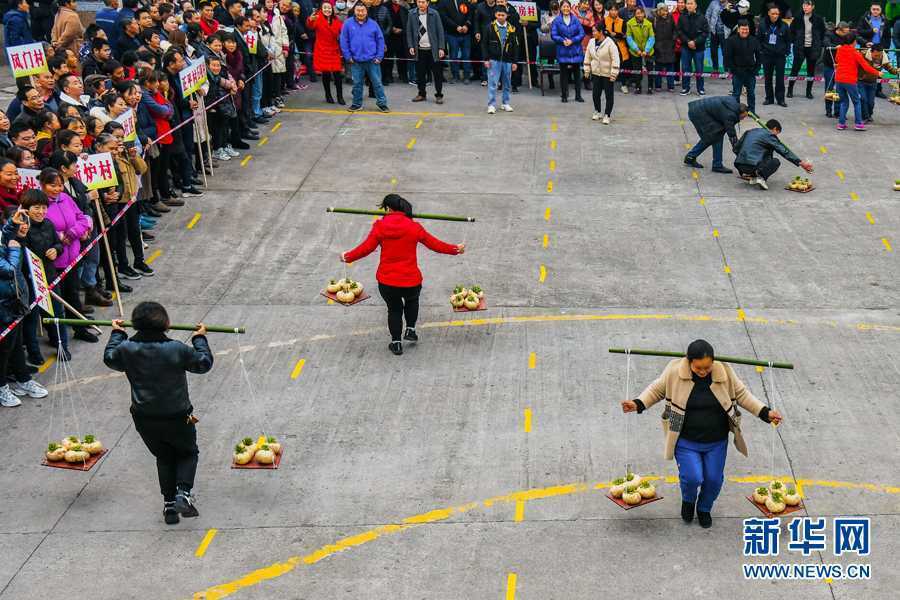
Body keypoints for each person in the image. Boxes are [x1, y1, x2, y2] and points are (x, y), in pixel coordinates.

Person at [621, 340, 783, 528]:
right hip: (685, 440)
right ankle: (688, 501)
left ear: (713, 362)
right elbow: (656, 390)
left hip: (717, 441)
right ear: (689, 362)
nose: (703, 371)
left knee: (714, 480)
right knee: (692, 477)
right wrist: (637, 403)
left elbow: (743, 395)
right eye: (698, 368)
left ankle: (704, 508)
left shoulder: (725, 372)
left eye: (707, 367)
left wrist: (766, 413)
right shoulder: (674, 371)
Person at [104, 302, 214, 524]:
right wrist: (200, 338)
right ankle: (183, 492)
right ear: (166, 324)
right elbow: (203, 363)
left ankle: (169, 505)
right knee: (187, 453)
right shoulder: (176, 349)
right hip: (177, 415)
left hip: (145, 416)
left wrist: (116, 334)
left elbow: (110, 358)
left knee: (163, 457)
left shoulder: (126, 349)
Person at [341, 194, 465, 355]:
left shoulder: (380, 227)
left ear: (389, 209)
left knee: (394, 309)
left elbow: (366, 248)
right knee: (412, 302)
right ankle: (411, 330)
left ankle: (396, 343)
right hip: (411, 280)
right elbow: (435, 244)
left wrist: (347, 256)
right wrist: (456, 249)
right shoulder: (414, 227)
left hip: (387, 281)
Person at [0, 210, 49, 406]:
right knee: (4, 349)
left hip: (13, 300)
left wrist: (12, 224)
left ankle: (23, 380)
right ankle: (2, 386)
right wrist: (14, 248)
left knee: (16, 344)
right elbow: (9, 270)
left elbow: (3, 236)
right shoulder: (13, 247)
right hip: (2, 304)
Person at [734, 119, 814, 190]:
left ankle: (751, 173)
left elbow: (736, 148)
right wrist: (801, 162)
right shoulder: (769, 136)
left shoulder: (750, 131)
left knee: (767, 150)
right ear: (775, 129)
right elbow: (784, 151)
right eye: (777, 133)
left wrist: (743, 159)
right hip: (752, 166)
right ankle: (761, 178)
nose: (776, 136)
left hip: (740, 165)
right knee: (775, 161)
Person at [340, 3, 390, 113]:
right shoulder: (348, 24)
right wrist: (348, 56)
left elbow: (380, 41)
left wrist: (379, 56)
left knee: (377, 83)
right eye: (358, 10)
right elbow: (344, 41)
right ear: (354, 11)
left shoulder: (373, 24)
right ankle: (357, 104)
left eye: (363, 10)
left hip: (372, 60)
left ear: (366, 11)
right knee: (357, 84)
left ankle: (382, 104)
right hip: (356, 61)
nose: (360, 13)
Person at [683, 95, 748, 173]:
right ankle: (693, 157)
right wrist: (738, 151)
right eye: (743, 116)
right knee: (710, 137)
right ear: (740, 112)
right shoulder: (730, 115)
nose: (743, 119)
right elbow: (732, 134)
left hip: (698, 109)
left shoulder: (733, 104)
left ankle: (715, 163)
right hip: (699, 113)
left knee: (716, 135)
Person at [834, 33, 881, 130]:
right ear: (853, 42)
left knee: (843, 102)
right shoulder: (855, 53)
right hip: (850, 80)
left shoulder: (839, 50)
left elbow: (837, 60)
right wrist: (878, 73)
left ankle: (841, 124)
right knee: (856, 102)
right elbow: (866, 67)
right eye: (856, 41)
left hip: (838, 79)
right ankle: (858, 124)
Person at [407, 0, 446, 104]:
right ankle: (421, 94)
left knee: (437, 74)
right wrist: (411, 45)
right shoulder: (411, 14)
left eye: (423, 2)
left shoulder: (434, 13)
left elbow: (440, 31)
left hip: (433, 50)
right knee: (420, 74)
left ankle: (438, 95)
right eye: (419, 1)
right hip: (419, 50)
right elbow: (409, 31)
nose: (421, 4)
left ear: (428, 3)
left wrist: (441, 48)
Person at [482, 5, 519, 114]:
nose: (501, 17)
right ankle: (491, 105)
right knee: (493, 83)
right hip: (494, 60)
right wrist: (486, 59)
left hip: (508, 60)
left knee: (507, 83)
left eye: (503, 15)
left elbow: (516, 46)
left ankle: (505, 103)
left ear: (507, 16)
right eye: (498, 15)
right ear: (495, 15)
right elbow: (484, 44)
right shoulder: (489, 27)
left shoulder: (511, 29)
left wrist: (515, 62)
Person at [308, 2, 346, 105]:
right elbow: (310, 25)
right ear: (321, 9)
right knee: (326, 74)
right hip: (322, 50)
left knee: (337, 75)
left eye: (329, 8)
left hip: (334, 50)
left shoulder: (336, 21)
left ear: (332, 9)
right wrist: (310, 20)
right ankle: (328, 95)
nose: (327, 10)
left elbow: (343, 31)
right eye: (324, 8)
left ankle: (340, 96)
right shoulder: (317, 18)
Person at [787, 0, 824, 100]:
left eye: (808, 5)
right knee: (795, 70)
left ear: (813, 7)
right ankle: (790, 90)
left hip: (812, 48)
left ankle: (808, 92)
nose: (805, 7)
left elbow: (823, 33)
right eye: (804, 5)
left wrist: (819, 43)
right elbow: (791, 32)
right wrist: (795, 41)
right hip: (800, 48)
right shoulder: (797, 18)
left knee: (811, 71)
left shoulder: (818, 19)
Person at [583, 23, 619, 123]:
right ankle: (597, 111)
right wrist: (587, 69)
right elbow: (587, 56)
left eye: (595, 31)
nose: (593, 33)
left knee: (609, 95)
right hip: (596, 73)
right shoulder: (591, 42)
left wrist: (614, 73)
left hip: (607, 74)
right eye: (592, 31)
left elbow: (615, 59)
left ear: (601, 32)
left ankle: (607, 115)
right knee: (595, 94)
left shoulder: (610, 43)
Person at [551, 0, 586, 103]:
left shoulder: (575, 19)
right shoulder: (557, 21)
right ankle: (564, 95)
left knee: (577, 74)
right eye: (564, 6)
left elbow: (581, 33)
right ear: (561, 8)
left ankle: (578, 95)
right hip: (563, 50)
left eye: (568, 6)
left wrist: (573, 40)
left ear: (570, 8)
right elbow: (554, 35)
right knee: (564, 75)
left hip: (575, 50)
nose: (566, 8)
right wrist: (563, 41)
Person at [758, 4, 790, 107]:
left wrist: (786, 51)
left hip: (780, 56)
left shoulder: (784, 25)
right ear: (768, 13)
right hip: (767, 55)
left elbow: (788, 41)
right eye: (773, 14)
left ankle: (781, 99)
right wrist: (761, 51)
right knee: (768, 78)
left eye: (777, 14)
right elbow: (759, 40)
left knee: (780, 78)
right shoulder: (762, 25)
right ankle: (769, 98)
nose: (775, 16)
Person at [724, 20, 759, 112]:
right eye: (743, 29)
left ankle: (752, 112)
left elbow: (759, 56)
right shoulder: (731, 40)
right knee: (736, 94)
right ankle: (736, 112)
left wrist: (756, 69)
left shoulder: (754, 40)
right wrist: (734, 69)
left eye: (746, 29)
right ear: (738, 30)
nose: (745, 31)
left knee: (751, 93)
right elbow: (728, 57)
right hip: (737, 72)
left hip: (750, 72)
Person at [437, 0, 473, 85]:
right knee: (453, 56)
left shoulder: (465, 1)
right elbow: (444, 18)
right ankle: (455, 76)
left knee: (466, 56)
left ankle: (466, 76)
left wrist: (466, 25)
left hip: (466, 34)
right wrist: (456, 27)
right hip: (452, 34)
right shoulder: (444, 2)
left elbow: (470, 14)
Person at [860, 45, 898, 122]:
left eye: (880, 55)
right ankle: (864, 117)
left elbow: (890, 68)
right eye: (876, 55)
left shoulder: (883, 58)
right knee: (863, 99)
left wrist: (896, 71)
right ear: (871, 52)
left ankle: (869, 115)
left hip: (873, 82)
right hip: (860, 81)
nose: (878, 57)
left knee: (871, 102)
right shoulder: (862, 55)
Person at [677, 0, 707, 96]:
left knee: (699, 69)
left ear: (695, 5)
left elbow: (705, 33)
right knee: (685, 68)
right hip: (686, 47)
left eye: (691, 4)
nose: (689, 6)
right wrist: (688, 41)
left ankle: (700, 88)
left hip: (699, 48)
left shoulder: (702, 17)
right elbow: (679, 31)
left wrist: (695, 42)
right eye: (688, 4)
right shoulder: (682, 17)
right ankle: (686, 88)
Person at [821, 21, 849, 119]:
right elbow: (825, 43)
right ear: (839, 30)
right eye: (845, 32)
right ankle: (828, 110)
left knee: (840, 89)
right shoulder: (829, 34)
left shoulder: (846, 36)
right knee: (829, 87)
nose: (846, 34)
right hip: (829, 65)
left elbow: (854, 39)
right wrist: (834, 47)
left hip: (841, 66)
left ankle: (838, 111)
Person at [625, 6, 654, 94]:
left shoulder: (649, 24)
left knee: (650, 69)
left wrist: (646, 50)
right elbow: (629, 38)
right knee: (637, 70)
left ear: (644, 13)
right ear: (635, 14)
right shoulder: (630, 23)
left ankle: (650, 87)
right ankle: (638, 87)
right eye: (638, 13)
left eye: (641, 13)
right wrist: (637, 50)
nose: (640, 15)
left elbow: (651, 38)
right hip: (635, 51)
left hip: (648, 51)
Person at [652, 3, 676, 92]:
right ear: (659, 11)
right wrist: (655, 44)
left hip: (669, 46)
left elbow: (675, 30)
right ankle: (658, 86)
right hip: (658, 47)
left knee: (670, 67)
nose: (666, 12)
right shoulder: (653, 19)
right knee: (658, 67)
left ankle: (671, 86)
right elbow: (651, 33)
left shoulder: (670, 17)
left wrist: (673, 40)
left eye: (666, 10)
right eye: (664, 10)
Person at [704, 0, 724, 72]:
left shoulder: (730, 4)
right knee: (713, 51)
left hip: (725, 33)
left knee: (726, 52)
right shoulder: (713, 3)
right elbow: (707, 15)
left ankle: (727, 70)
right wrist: (710, 27)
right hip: (714, 32)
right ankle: (715, 69)